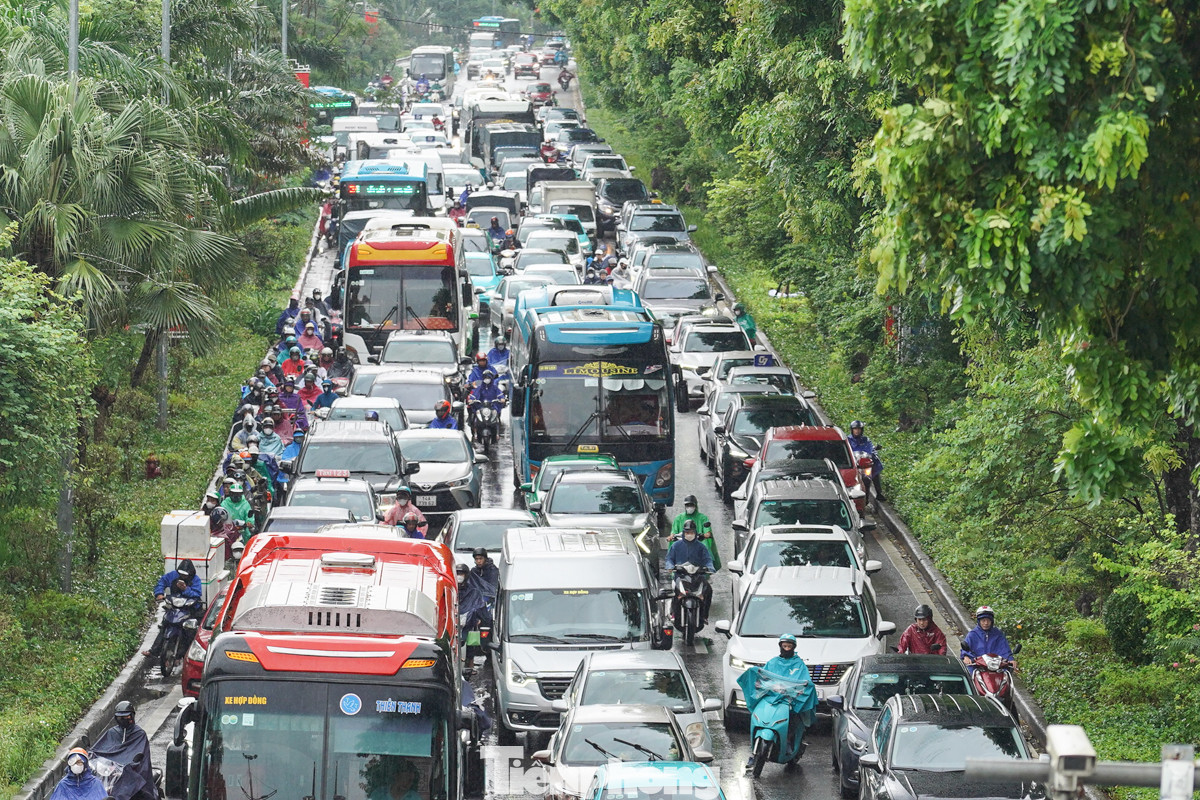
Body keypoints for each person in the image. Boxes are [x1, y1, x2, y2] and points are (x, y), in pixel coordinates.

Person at [90, 701, 156, 800]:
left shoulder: (139, 734)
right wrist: (89, 756)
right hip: (111, 774)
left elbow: (142, 758)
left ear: (132, 716)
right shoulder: (112, 732)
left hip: (131, 774)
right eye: (120, 718)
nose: (124, 720)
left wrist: (131, 766)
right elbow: (99, 749)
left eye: (127, 717)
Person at [143, 560, 202, 657]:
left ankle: (186, 654)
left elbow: (197, 594)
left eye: (185, 575)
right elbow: (162, 582)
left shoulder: (196, 580)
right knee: (165, 624)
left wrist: (185, 589)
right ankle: (154, 650)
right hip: (175, 606)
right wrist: (159, 593)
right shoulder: (172, 575)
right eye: (181, 574)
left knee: (190, 630)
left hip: (189, 608)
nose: (183, 576)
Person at [664, 520, 714, 622]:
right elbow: (669, 559)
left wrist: (709, 568)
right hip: (680, 575)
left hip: (697, 576)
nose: (689, 535)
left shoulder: (701, 546)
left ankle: (704, 615)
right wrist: (670, 566)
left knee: (708, 590)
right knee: (675, 591)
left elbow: (707, 559)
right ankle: (673, 612)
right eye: (687, 532)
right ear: (683, 533)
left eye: (691, 532)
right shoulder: (676, 546)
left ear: (695, 533)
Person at [671, 495, 720, 570]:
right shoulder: (678, 518)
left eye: (691, 505)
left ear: (695, 505)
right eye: (687, 505)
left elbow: (708, 532)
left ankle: (706, 569)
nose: (689, 507)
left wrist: (703, 535)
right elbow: (673, 532)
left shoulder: (703, 518)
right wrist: (672, 537)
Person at [847, 420, 884, 501]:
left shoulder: (865, 439)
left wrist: (873, 453)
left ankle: (879, 492)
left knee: (875, 470)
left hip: (864, 463)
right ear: (852, 430)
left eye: (859, 429)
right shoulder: (848, 440)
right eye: (855, 429)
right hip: (853, 463)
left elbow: (870, 448)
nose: (857, 431)